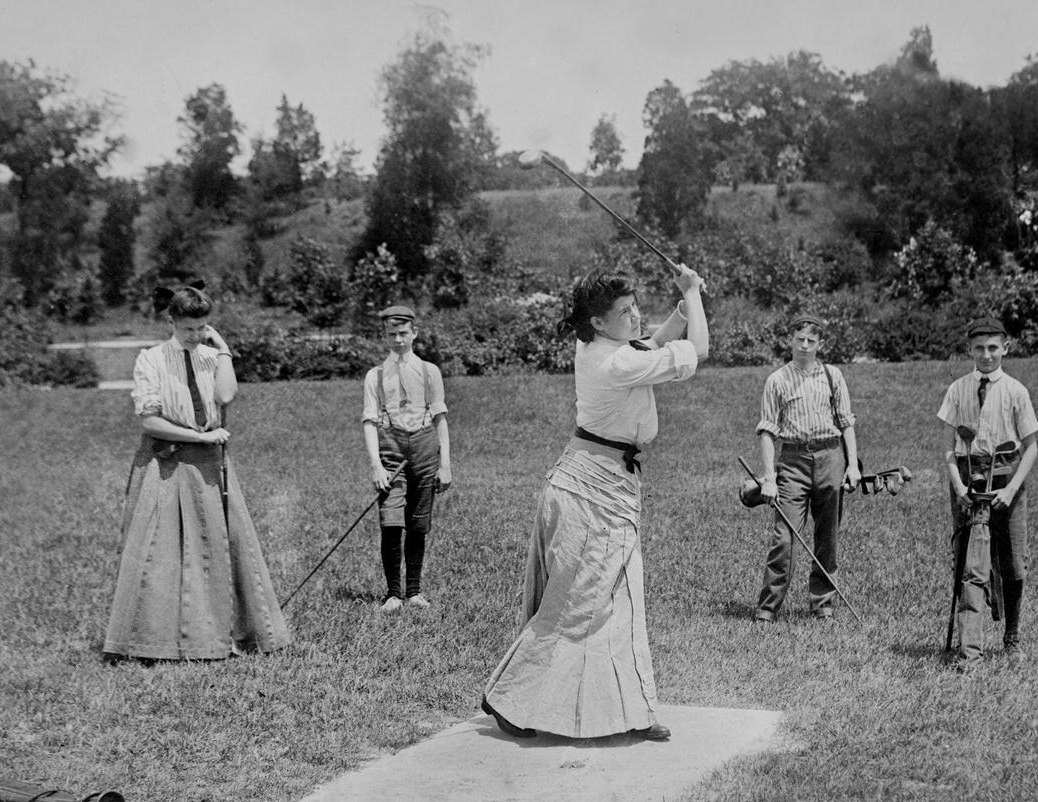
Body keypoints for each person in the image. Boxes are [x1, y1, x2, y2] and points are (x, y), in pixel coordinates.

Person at [481, 264, 708, 742]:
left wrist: (686, 305)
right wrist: (693, 294)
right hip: (591, 491)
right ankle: (510, 700)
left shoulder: (598, 344)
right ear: (601, 323)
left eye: (635, 307)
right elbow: (698, 351)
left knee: (620, 602)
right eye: (625, 312)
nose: (636, 317)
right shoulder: (615, 362)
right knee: (577, 608)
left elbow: (656, 339)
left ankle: (633, 711)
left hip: (602, 484)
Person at [104, 282, 290, 660]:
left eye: (202, 327)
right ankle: (155, 641)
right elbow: (150, 422)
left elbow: (225, 397)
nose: (194, 335)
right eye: (187, 328)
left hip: (209, 464)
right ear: (171, 321)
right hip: (166, 462)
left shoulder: (211, 356)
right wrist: (198, 437)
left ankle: (218, 637)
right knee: (161, 550)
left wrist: (222, 349)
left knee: (218, 546)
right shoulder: (151, 359)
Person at [938, 317, 1038, 666]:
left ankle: (1011, 635)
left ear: (1005, 348)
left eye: (993, 347)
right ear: (969, 350)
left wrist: (1011, 490)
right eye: (979, 348)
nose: (986, 354)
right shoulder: (958, 389)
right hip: (968, 477)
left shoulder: (1015, 391)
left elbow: (1031, 447)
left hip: (1005, 474)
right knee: (966, 561)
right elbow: (950, 448)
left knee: (1013, 562)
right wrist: (958, 484)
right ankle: (968, 641)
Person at [752, 314, 861, 624]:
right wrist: (770, 477)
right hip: (793, 462)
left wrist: (852, 465)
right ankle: (768, 607)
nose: (804, 345)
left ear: (819, 345)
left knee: (827, 536)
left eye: (810, 341)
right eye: (799, 339)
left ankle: (823, 603)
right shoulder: (777, 380)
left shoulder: (833, 376)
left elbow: (846, 422)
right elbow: (767, 432)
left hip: (830, 457)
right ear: (791, 341)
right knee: (783, 538)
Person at [361, 305, 452, 612]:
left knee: (417, 523)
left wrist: (445, 464)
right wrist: (376, 465)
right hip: (391, 449)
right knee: (391, 521)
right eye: (391, 334)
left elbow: (440, 419)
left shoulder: (430, 371)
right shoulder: (375, 376)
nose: (398, 339)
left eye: (403, 333)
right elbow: (370, 422)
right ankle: (392, 594)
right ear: (384, 335)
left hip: (425, 449)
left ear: (414, 333)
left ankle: (413, 591)